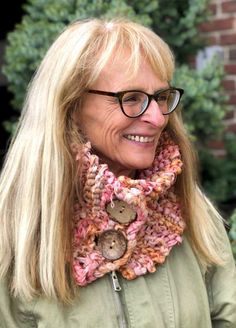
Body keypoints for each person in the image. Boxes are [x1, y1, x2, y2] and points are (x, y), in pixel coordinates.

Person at [0, 17, 235, 328]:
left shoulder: (192, 212)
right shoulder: (16, 233)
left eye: (161, 97)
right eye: (131, 99)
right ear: (71, 104)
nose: (157, 117)